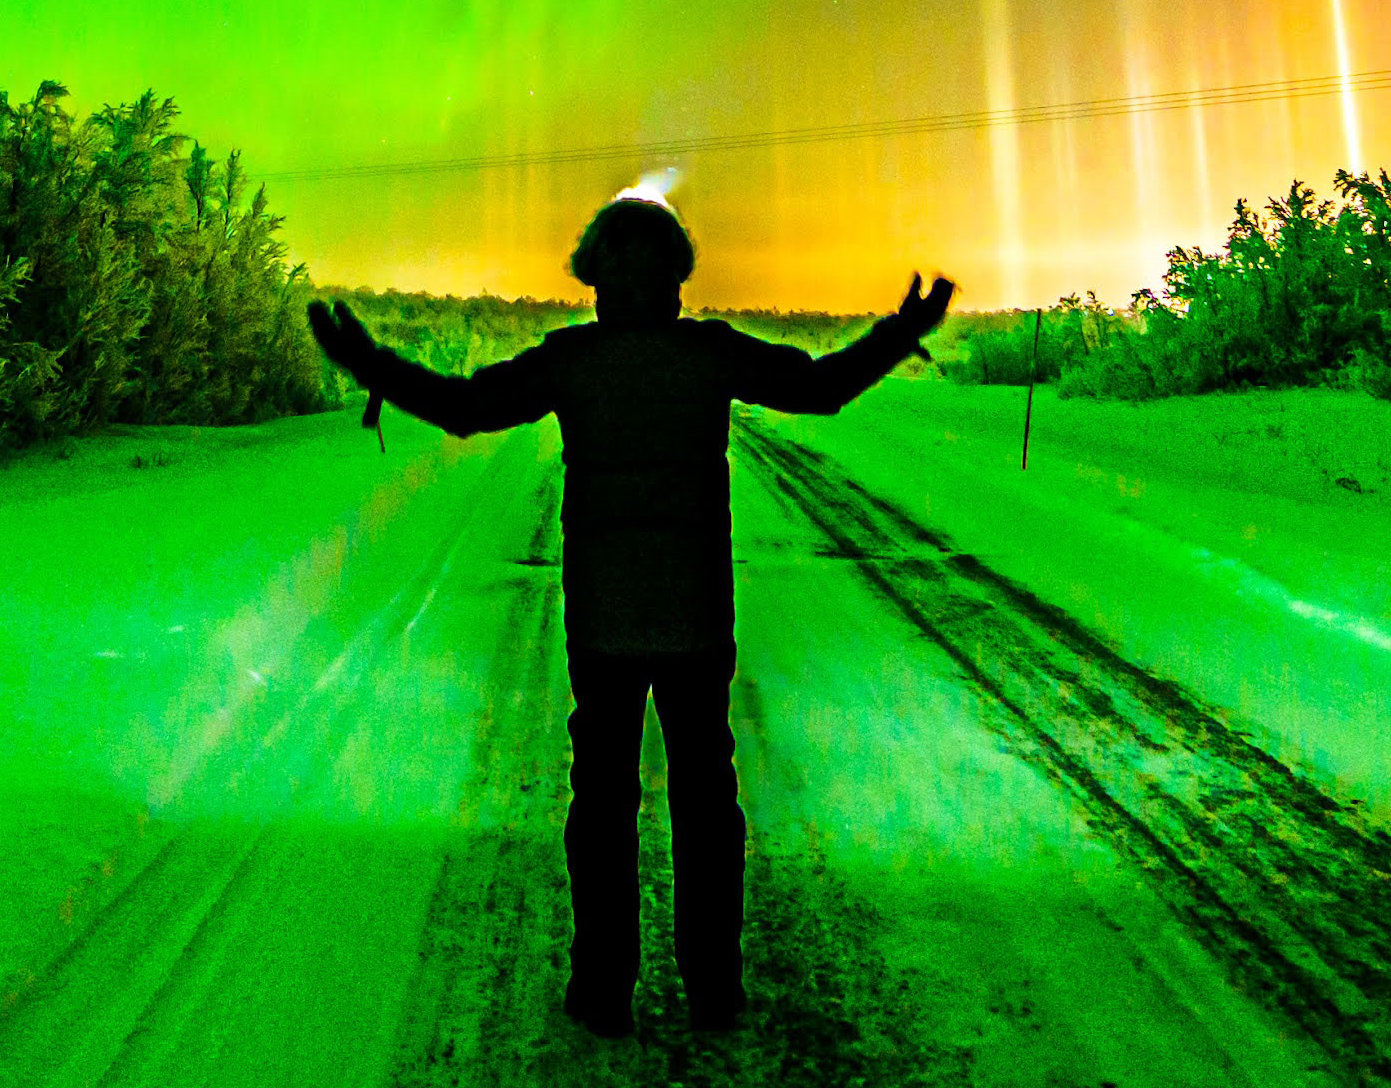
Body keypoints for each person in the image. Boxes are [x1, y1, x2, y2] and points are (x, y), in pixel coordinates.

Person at [310, 199, 953, 1040]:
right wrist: (900, 330)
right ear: (677, 274)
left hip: (606, 619)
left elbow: (464, 407)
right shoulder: (707, 354)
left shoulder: (572, 361)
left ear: (594, 275)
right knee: (705, 798)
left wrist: (370, 362)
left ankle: (605, 987)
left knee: (605, 800)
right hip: (693, 613)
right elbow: (822, 387)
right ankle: (714, 987)